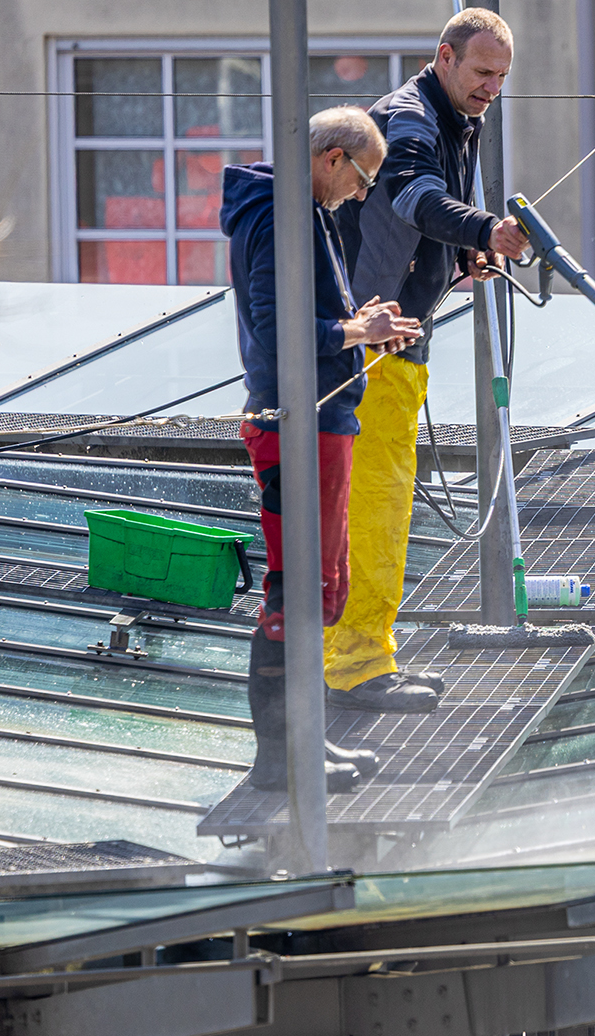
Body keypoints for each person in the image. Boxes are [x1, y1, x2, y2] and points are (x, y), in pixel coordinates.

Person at [327, 7, 530, 711]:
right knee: (373, 510)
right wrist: (486, 230)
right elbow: (414, 196)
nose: (491, 88)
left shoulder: (454, 120)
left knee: (380, 507)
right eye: (481, 72)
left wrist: (459, 256)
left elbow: (412, 222)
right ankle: (354, 668)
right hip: (371, 352)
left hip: (390, 348)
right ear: (444, 56)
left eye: (501, 77)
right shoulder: (411, 123)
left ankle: (363, 657)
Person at [221, 105, 426, 790]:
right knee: (298, 594)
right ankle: (282, 759)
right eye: (364, 179)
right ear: (333, 158)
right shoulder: (281, 215)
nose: (363, 196)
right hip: (297, 424)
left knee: (320, 588)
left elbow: (298, 319)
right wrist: (360, 333)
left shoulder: (295, 210)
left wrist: (358, 324)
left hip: (316, 419)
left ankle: (302, 743)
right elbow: (279, 330)